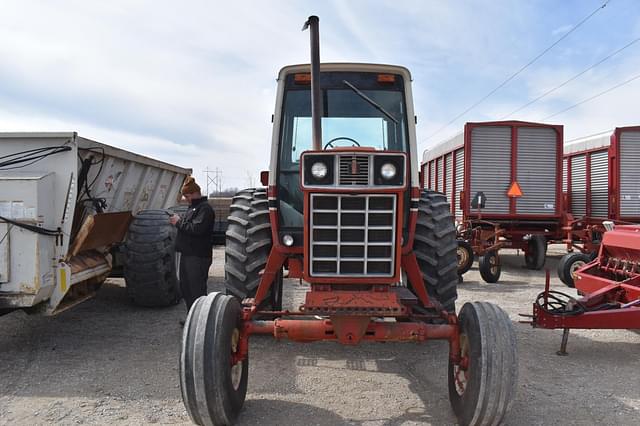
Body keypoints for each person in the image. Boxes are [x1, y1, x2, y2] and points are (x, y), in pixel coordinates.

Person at [169, 176, 215, 316]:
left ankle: (201, 319)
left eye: (187, 195)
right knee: (186, 288)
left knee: (197, 290)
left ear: (195, 193)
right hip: (188, 255)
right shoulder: (193, 208)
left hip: (198, 256)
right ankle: (191, 317)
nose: (186, 198)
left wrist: (178, 222)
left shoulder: (205, 209)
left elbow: (196, 229)